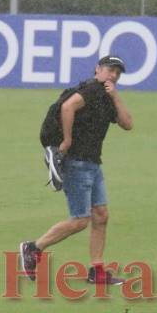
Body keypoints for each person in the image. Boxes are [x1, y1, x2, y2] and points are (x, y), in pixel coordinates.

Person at [20, 55, 133, 285]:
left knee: (101, 216)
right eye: (110, 70)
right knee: (81, 220)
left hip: (93, 163)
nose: (113, 75)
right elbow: (68, 106)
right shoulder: (91, 90)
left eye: (117, 72)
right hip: (76, 162)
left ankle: (97, 271)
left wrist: (115, 96)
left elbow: (127, 124)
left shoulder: (107, 96)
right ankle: (34, 248)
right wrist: (67, 141)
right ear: (98, 69)